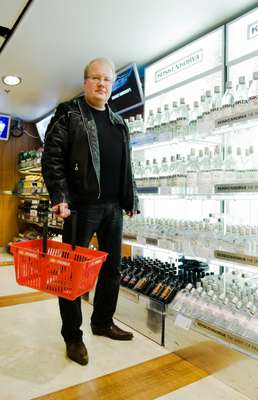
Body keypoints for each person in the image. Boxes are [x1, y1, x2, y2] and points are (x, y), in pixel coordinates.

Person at [41, 57, 139, 366]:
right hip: (80, 208)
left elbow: (127, 166)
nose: (101, 84)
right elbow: (52, 157)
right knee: (71, 273)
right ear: (85, 82)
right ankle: (73, 336)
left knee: (112, 270)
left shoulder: (119, 123)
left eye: (107, 80)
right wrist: (59, 195)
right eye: (95, 78)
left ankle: (103, 322)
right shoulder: (69, 113)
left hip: (113, 208)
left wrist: (130, 197)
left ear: (111, 84)